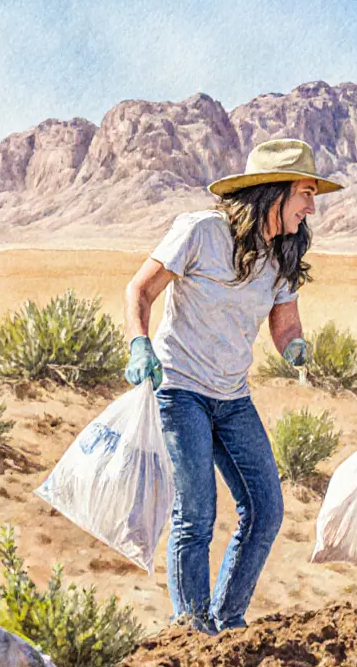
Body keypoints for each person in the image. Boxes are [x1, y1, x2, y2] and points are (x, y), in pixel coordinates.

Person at [122, 138, 341, 634]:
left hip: (233, 398)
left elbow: (285, 323)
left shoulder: (282, 254)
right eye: (306, 193)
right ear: (273, 192)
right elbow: (140, 289)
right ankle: (192, 630)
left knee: (266, 510)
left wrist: (295, 347)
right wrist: (139, 343)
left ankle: (227, 619)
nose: (312, 207)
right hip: (180, 389)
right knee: (196, 514)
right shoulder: (200, 231)